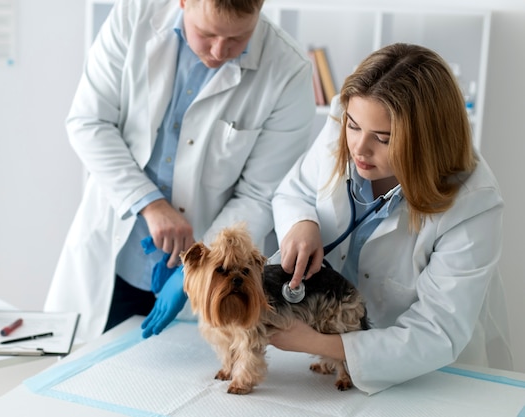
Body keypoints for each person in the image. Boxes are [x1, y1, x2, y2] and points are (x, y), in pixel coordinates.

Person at [44, 0, 316, 342]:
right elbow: (89, 122)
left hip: (208, 277)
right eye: (206, 34)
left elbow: (260, 194)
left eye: (237, 39)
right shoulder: (134, 16)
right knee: (86, 374)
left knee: (184, 385)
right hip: (116, 258)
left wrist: (201, 270)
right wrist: (149, 203)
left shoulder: (288, 70)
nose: (219, 51)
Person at [269, 43, 513, 395]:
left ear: (426, 142)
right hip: (333, 361)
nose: (359, 149)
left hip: (430, 375)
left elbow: (437, 330)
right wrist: (302, 223)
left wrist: (320, 343)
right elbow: (295, 192)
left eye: (383, 139)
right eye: (353, 126)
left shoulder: (474, 202)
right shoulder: (350, 121)